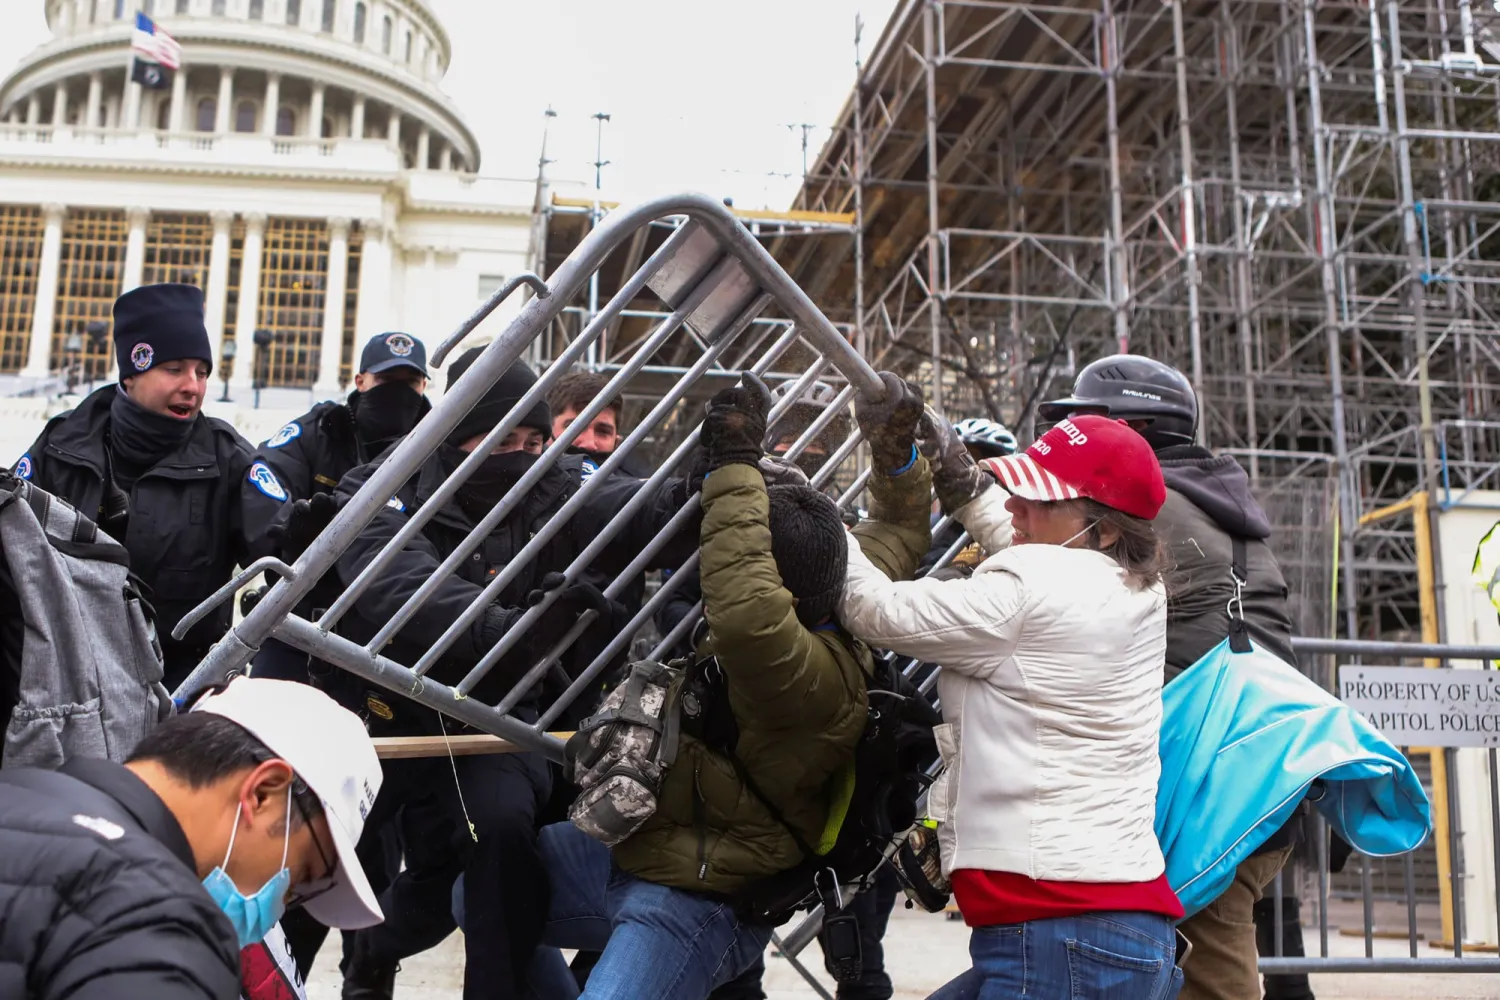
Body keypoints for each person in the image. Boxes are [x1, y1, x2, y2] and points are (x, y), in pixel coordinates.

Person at [544, 369, 934, 1000]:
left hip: (700, 895)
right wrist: (897, 454)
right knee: (484, 887)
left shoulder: (794, 667)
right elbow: (898, 530)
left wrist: (735, 463)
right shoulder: (843, 595)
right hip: (648, 844)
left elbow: (745, 595)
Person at [333, 347, 697, 1000]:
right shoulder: (387, 487)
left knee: (497, 850)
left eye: (535, 439)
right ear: (456, 437)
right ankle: (361, 953)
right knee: (340, 855)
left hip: (514, 721)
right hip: (407, 717)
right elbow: (406, 593)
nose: (524, 456)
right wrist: (521, 632)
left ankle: (395, 952)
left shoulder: (549, 486)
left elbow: (625, 509)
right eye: (505, 440)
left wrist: (702, 488)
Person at [837, 413, 1185, 1000]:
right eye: (1016, 488)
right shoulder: (1137, 586)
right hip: (1106, 919)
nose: (1017, 507)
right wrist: (963, 482)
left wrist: (815, 518)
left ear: (1102, 529)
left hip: (1056, 924)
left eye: (1038, 499)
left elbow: (876, 610)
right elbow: (1041, 542)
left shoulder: (1024, 594)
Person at [1041, 354, 1308, 1000]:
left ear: (1129, 429)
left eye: (1087, 431)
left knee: (1212, 975)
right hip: (1258, 767)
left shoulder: (1147, 510)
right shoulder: (1222, 505)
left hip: (1210, 787)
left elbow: (1043, 594)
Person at [0, 676, 384, 1000]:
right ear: (262, 793)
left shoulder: (18, 791)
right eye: (298, 879)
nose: (279, 908)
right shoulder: (161, 928)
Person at [11, 283, 254, 689]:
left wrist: (300, 537)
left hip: (182, 687)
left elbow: (279, 547)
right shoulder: (62, 446)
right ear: (132, 373)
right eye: (174, 369)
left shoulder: (226, 457)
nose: (192, 386)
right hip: (68, 685)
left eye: (202, 372)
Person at [241, 331, 433, 687]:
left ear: (425, 385)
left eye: (411, 382)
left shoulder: (439, 445)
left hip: (394, 634)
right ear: (360, 381)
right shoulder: (318, 432)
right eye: (387, 380)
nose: (400, 393)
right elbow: (265, 483)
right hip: (300, 620)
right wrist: (292, 532)